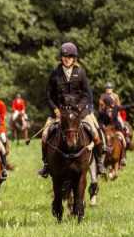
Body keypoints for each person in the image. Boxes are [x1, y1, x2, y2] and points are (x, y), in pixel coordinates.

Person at [38, 42, 107, 178]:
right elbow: (48, 95)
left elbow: (87, 94)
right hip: (59, 112)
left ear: (74, 58)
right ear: (61, 57)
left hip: (79, 112)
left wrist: (79, 109)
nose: (67, 59)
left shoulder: (80, 72)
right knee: (45, 135)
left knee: (95, 133)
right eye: (64, 56)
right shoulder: (55, 73)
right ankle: (46, 164)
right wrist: (55, 109)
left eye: (70, 56)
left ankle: (99, 162)